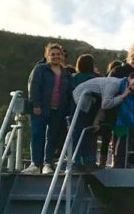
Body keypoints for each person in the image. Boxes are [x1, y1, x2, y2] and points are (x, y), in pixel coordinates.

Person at [24, 42, 72, 175]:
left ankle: (47, 163)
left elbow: (69, 93)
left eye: (58, 54)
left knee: (52, 137)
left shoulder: (66, 74)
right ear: (47, 56)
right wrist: (36, 105)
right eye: (53, 54)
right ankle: (35, 164)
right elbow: (34, 87)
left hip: (58, 110)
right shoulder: (40, 69)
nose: (56, 57)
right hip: (41, 108)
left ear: (62, 56)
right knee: (37, 135)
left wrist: (68, 111)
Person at [71, 54, 100, 170]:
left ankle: (76, 161)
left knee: (76, 135)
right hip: (91, 111)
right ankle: (90, 160)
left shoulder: (74, 78)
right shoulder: (95, 78)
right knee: (90, 136)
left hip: (76, 110)